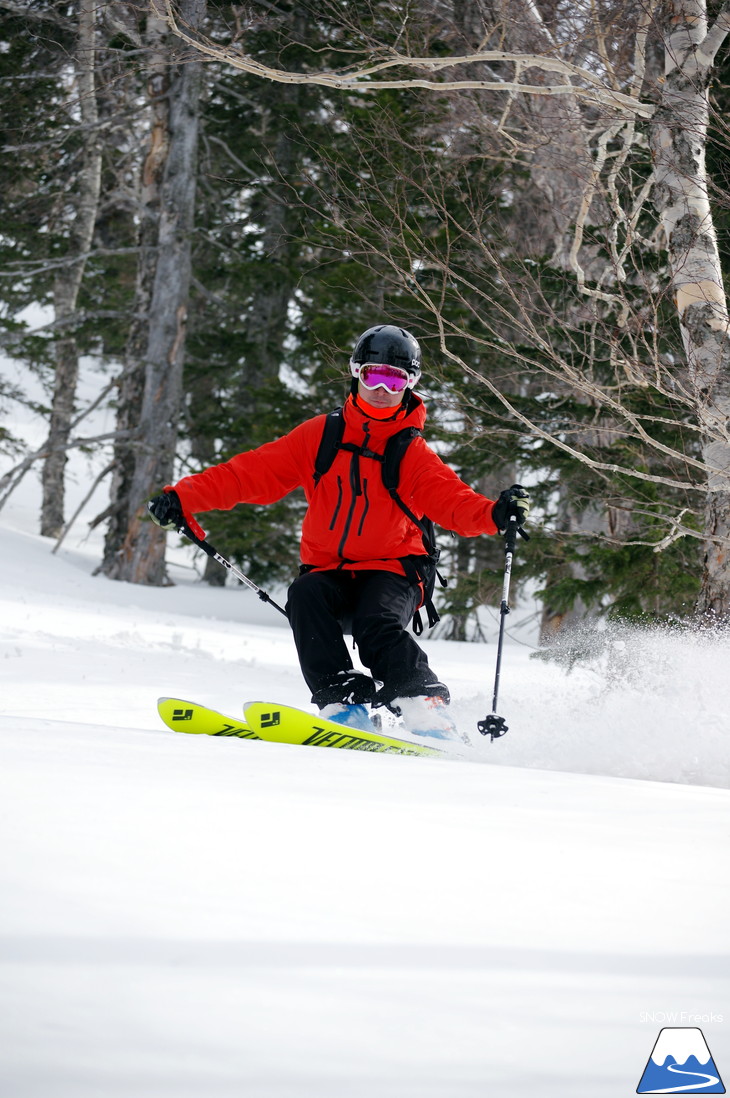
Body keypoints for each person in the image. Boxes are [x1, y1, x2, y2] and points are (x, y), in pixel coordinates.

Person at [148, 324, 529, 740]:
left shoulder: (411, 453)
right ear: (356, 374)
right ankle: (343, 704)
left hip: (394, 570)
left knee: (376, 621)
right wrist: (182, 497)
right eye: (373, 375)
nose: (383, 388)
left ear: (410, 384)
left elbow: (454, 502)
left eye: (396, 379)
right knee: (306, 594)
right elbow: (248, 474)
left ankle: (425, 706)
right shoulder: (320, 436)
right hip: (328, 570)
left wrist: (496, 514)